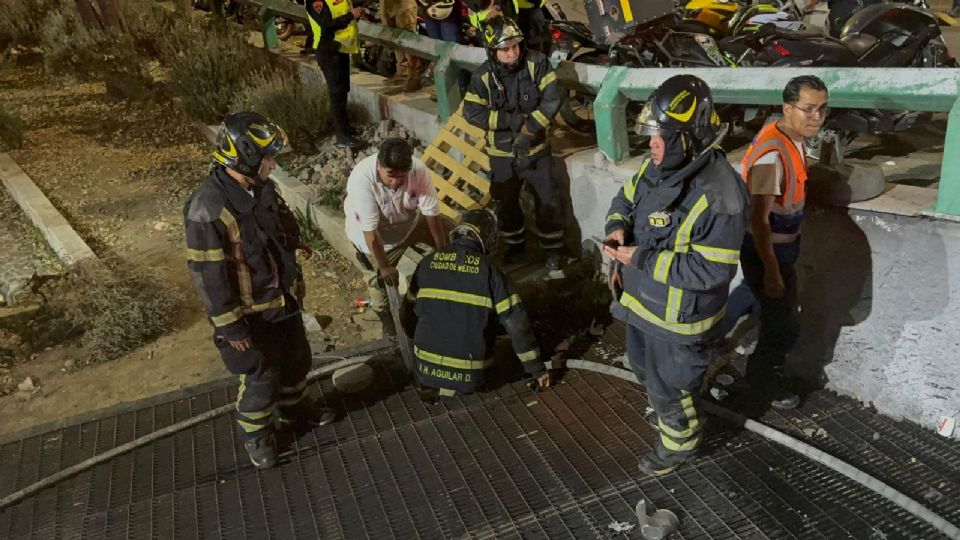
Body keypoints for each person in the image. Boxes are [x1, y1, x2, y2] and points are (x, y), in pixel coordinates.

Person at [603, 75, 750, 476]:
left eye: (660, 137)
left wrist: (642, 259)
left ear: (687, 138)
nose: (650, 145)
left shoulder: (721, 195)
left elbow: (712, 270)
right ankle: (668, 411)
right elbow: (625, 198)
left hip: (679, 321)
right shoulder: (659, 166)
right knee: (645, 371)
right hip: (640, 306)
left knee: (671, 389)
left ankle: (679, 445)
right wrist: (617, 225)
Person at [184, 112, 335, 469]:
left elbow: (274, 226)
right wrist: (230, 326)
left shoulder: (261, 187)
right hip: (250, 318)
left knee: (297, 360)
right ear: (246, 156)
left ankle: (294, 409)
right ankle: (257, 435)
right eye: (268, 157)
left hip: (281, 301)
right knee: (260, 378)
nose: (274, 163)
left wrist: (295, 246)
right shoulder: (208, 207)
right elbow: (208, 275)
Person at [739, 75, 828, 410]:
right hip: (766, 253)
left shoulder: (792, 139)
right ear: (786, 108)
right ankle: (762, 383)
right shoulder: (770, 156)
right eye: (808, 109)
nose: (816, 117)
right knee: (783, 326)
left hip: (780, 250)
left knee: (770, 313)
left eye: (821, 109)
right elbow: (757, 220)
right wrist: (772, 271)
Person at [401, 209, 551, 399]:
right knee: (506, 352)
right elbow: (517, 325)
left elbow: (407, 317)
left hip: (425, 370)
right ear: (488, 238)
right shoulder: (490, 270)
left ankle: (436, 389)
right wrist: (537, 369)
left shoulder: (427, 262)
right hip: (471, 375)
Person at [463, 16, 565, 271]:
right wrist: (512, 120)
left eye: (516, 46)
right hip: (501, 155)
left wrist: (529, 131)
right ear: (492, 50)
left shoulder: (537, 63)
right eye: (505, 49)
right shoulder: (483, 77)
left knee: (548, 201)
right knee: (507, 205)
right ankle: (515, 247)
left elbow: (552, 99)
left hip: (536, 152)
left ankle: (553, 252)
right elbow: (472, 113)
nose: (513, 52)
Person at [343, 138, 447, 334]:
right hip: (377, 238)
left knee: (454, 236)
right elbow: (371, 233)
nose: (396, 181)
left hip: (408, 224)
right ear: (379, 165)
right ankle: (387, 322)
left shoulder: (418, 170)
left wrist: (443, 250)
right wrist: (384, 266)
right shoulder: (361, 179)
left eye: (402, 176)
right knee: (379, 281)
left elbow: (431, 214)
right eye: (391, 175)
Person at [306, 0, 369, 148]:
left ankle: (346, 128)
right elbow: (327, 24)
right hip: (328, 51)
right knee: (336, 93)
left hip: (341, 49)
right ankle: (342, 137)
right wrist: (350, 15)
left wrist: (357, 13)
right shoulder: (316, 1)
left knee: (343, 90)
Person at [382, 0, 427, 92]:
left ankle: (414, 75)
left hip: (404, 4)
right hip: (387, 4)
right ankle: (402, 72)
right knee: (394, 37)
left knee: (408, 39)